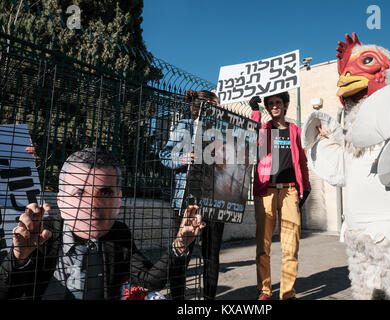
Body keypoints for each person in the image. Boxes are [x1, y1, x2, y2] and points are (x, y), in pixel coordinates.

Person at [0, 147, 204, 300]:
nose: (93, 205)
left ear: (119, 200)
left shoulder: (118, 234)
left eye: (105, 192)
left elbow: (150, 280)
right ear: (61, 201)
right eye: (80, 193)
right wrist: (18, 258)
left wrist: (180, 245)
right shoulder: (41, 234)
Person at [159, 90, 225, 300]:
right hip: (186, 200)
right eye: (216, 105)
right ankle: (177, 298)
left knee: (211, 256)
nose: (220, 109)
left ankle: (209, 300)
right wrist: (183, 158)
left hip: (215, 200)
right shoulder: (184, 127)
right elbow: (164, 156)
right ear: (204, 106)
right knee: (182, 252)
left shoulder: (222, 132)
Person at [249, 93, 311, 300]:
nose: (274, 107)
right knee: (263, 245)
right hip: (266, 191)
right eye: (271, 104)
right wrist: (255, 112)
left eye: (278, 103)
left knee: (291, 245)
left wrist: (306, 187)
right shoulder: (264, 130)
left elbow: (302, 161)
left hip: (290, 190)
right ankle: (264, 290)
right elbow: (250, 137)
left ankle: (287, 293)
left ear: (285, 106)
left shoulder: (295, 131)